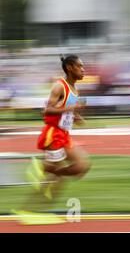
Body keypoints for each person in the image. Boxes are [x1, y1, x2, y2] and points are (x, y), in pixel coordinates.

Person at [12, 55, 91, 225]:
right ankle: (30, 211)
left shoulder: (75, 89)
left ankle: (43, 170)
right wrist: (71, 108)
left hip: (64, 135)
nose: (84, 69)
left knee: (81, 166)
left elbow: (66, 111)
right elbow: (46, 111)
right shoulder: (59, 86)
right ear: (70, 67)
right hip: (53, 135)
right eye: (80, 66)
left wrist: (76, 117)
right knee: (56, 179)